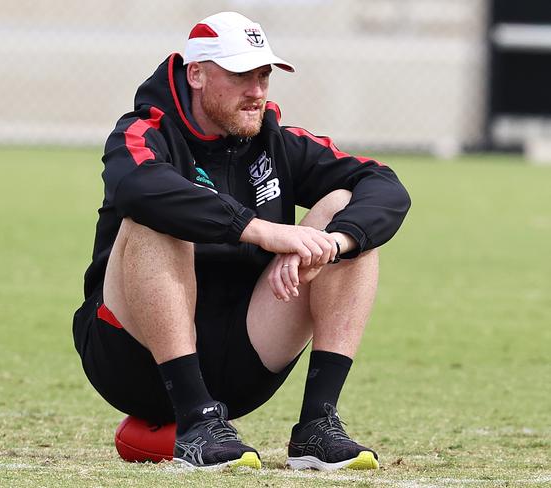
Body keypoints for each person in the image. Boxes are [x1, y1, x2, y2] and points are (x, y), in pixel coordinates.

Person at [73, 11, 410, 471]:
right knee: (152, 217)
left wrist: (334, 244)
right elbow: (138, 187)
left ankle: (318, 425)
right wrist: (258, 229)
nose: (256, 90)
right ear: (196, 73)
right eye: (239, 76)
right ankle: (195, 421)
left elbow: (385, 183)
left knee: (344, 210)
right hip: (132, 360)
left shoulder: (279, 142)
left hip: (241, 364)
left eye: (263, 75)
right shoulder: (143, 131)